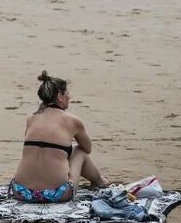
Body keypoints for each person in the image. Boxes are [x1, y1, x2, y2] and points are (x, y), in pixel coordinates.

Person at [10, 72, 110, 203]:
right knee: (78, 151)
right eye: (67, 93)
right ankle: (99, 181)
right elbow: (87, 148)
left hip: (20, 191)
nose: (69, 96)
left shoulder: (31, 119)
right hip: (56, 194)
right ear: (60, 96)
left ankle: (97, 180)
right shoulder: (72, 121)